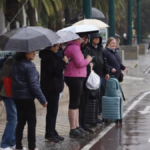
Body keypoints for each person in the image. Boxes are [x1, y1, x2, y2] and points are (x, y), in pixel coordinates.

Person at [12, 52, 48, 150]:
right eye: (31, 52)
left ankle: (18, 146)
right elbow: (34, 85)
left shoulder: (16, 64)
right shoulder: (30, 66)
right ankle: (32, 146)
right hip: (27, 98)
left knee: (20, 122)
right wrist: (43, 99)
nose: (34, 53)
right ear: (24, 53)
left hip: (17, 97)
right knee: (31, 123)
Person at [39, 44, 68, 143]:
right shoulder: (48, 57)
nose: (58, 48)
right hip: (50, 87)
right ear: (51, 47)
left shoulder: (53, 55)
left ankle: (52, 130)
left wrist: (62, 61)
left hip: (54, 87)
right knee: (51, 111)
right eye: (56, 46)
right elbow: (55, 70)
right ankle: (49, 133)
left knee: (54, 111)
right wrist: (64, 63)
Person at [64, 38, 92, 138]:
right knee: (74, 103)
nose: (84, 39)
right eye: (82, 37)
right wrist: (88, 59)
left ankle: (76, 126)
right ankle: (73, 128)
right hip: (74, 77)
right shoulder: (74, 48)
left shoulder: (75, 47)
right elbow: (79, 63)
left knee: (76, 103)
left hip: (76, 76)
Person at [83, 32, 110, 124]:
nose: (97, 39)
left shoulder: (101, 49)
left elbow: (104, 61)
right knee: (93, 96)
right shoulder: (88, 48)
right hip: (93, 75)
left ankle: (97, 115)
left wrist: (107, 72)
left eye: (98, 38)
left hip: (101, 75)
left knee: (100, 95)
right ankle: (92, 117)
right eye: (95, 38)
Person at [0, 55, 17, 150]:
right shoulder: (11, 61)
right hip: (8, 93)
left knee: (16, 118)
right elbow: (2, 77)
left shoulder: (24, 61)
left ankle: (12, 142)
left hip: (18, 94)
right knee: (12, 118)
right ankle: (4, 144)